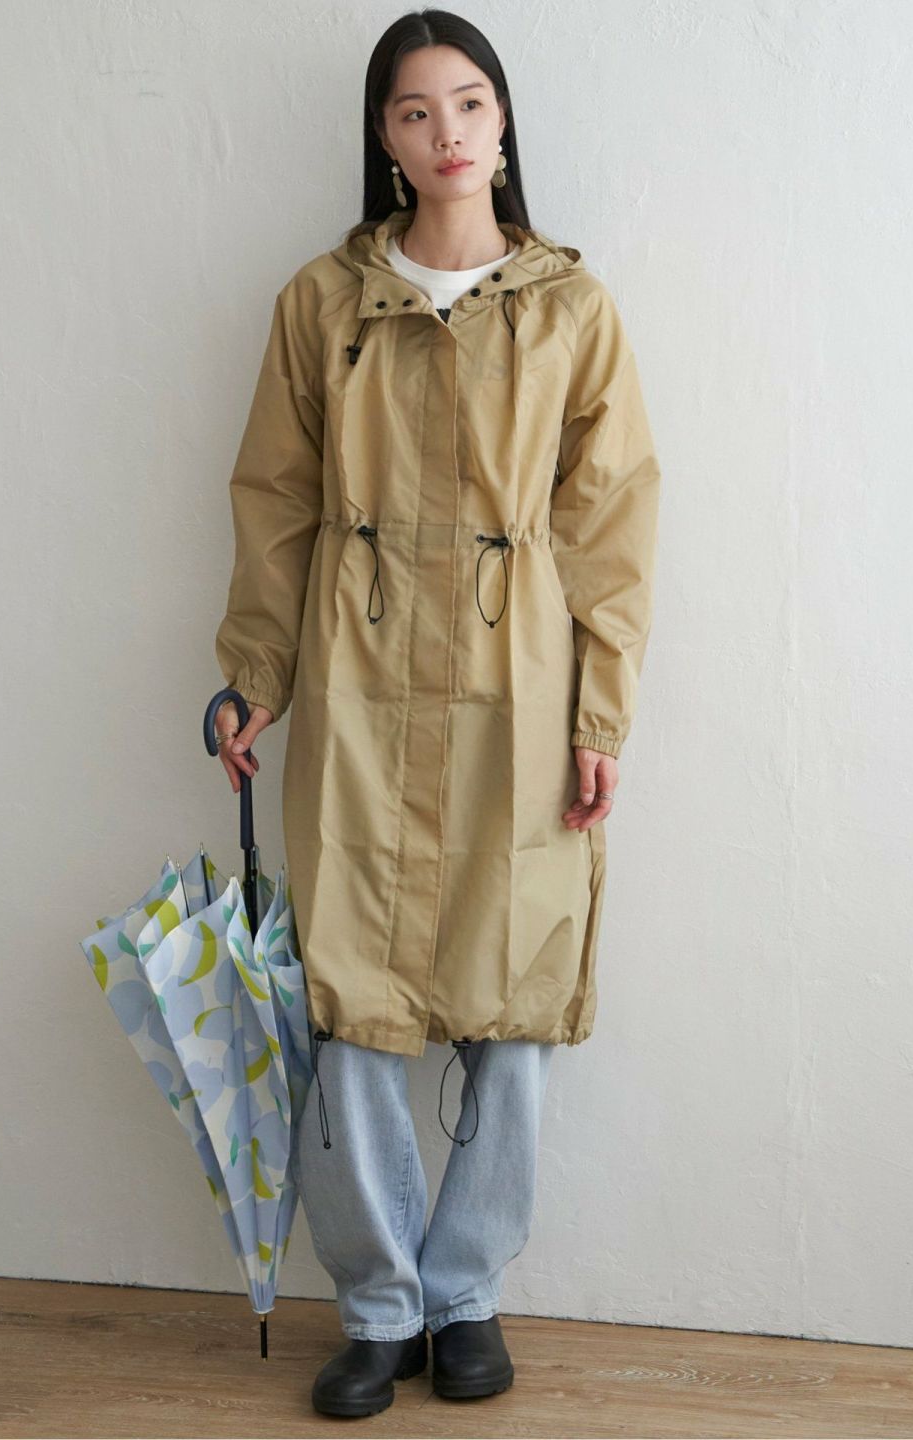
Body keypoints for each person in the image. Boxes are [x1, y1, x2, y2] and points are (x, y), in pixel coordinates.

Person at [213, 8, 662, 1418]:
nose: (447, 131)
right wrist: (252, 676)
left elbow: (611, 524)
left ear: (504, 122)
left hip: (519, 690)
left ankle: (466, 1293)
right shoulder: (322, 304)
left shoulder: (571, 310)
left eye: (469, 102)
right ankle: (379, 1306)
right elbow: (276, 503)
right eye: (415, 111)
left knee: (513, 992)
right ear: (385, 140)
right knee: (350, 994)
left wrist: (600, 716)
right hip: (356, 684)